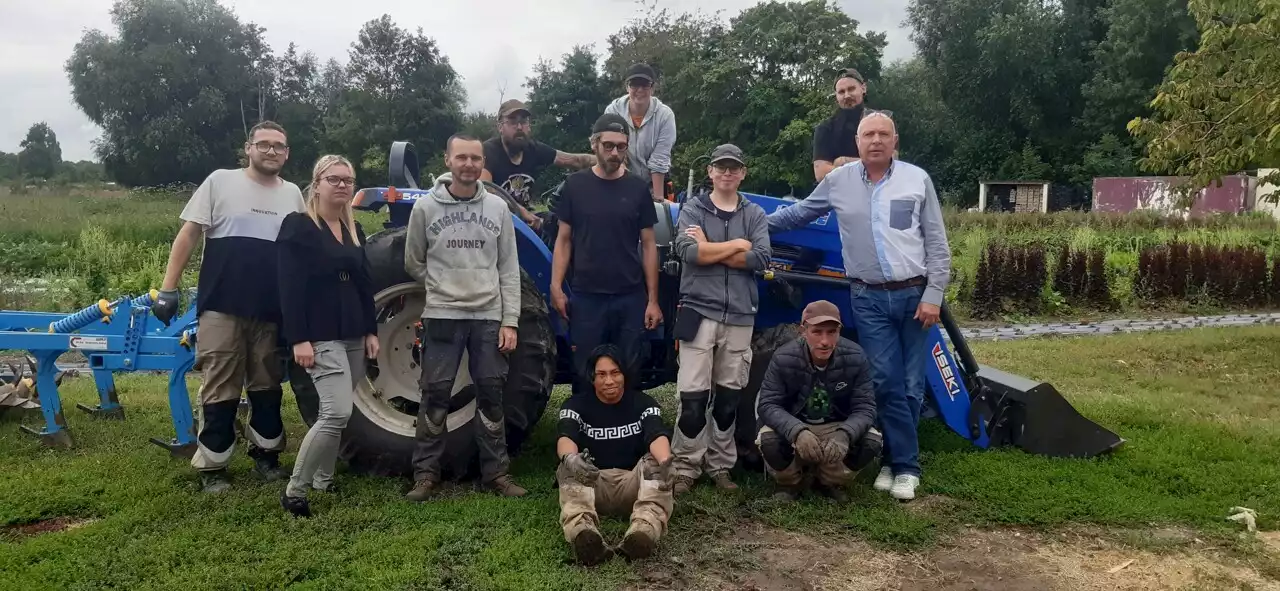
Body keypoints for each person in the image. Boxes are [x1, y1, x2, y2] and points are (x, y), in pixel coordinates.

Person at [767, 112, 952, 501]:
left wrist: (934, 293)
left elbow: (936, 241)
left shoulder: (916, 180)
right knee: (885, 381)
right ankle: (904, 465)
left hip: (915, 295)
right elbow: (798, 214)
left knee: (913, 385)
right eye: (869, 134)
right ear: (857, 142)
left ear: (895, 140)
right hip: (867, 296)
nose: (876, 141)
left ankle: (894, 461)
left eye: (884, 134)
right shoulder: (838, 182)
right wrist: (748, 223)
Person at [151, 120, 305, 493]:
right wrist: (168, 288)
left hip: (271, 310)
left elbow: (301, 253)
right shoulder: (220, 181)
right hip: (222, 305)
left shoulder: (293, 194)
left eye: (279, 146)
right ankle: (213, 467)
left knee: (267, 385)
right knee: (220, 385)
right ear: (249, 148)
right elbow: (188, 234)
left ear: (287, 154)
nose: (271, 151)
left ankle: (266, 458)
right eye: (264, 144)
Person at [402, 134, 527, 500]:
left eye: (475, 158)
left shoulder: (498, 210)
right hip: (442, 314)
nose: (469, 164)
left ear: (482, 162)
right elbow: (413, 261)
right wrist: (442, 285)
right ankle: (425, 475)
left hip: (488, 316)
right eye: (462, 157)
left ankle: (497, 474)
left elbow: (509, 268)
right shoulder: (425, 208)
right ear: (448, 160)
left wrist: (511, 320)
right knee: (435, 393)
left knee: (491, 393)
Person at [275, 155, 380, 518]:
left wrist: (371, 329)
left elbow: (366, 284)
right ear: (316, 184)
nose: (341, 186)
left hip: (352, 330)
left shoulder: (354, 229)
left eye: (347, 180)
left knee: (334, 411)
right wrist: (299, 338)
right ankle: (295, 491)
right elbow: (289, 289)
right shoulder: (298, 227)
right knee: (337, 411)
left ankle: (324, 477)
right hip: (319, 333)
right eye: (333, 179)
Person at [668, 144, 771, 494]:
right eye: (721, 167)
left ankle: (720, 465)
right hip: (698, 310)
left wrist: (712, 248)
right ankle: (685, 465)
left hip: (741, 314)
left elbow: (761, 258)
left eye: (734, 168)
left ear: (743, 173)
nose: (727, 173)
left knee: (729, 398)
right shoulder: (693, 208)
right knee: (693, 398)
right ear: (710, 171)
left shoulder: (755, 213)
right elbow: (689, 252)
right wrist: (737, 245)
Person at [550, 113, 663, 396]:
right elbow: (564, 240)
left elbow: (649, 245)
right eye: (609, 146)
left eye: (621, 147)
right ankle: (586, 432)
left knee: (629, 371)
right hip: (587, 296)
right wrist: (556, 287)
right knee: (586, 371)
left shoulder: (638, 188)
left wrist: (652, 300)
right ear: (594, 145)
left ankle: (625, 434)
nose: (615, 153)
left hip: (629, 296)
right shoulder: (575, 186)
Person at [555, 344, 674, 565]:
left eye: (615, 373)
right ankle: (583, 534)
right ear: (592, 378)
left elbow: (656, 433)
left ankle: (643, 532)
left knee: (657, 462)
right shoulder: (575, 404)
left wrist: (666, 461)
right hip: (592, 484)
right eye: (601, 375)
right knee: (567, 466)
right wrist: (570, 459)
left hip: (633, 486)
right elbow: (565, 438)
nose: (609, 381)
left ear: (625, 375)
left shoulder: (644, 403)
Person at [755, 301, 882, 501]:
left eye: (832, 332)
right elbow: (768, 404)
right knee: (768, 440)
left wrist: (845, 434)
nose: (825, 341)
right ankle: (789, 484)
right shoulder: (783, 357)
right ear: (802, 331)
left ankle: (829, 482)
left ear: (840, 331)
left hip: (836, 424)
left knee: (871, 441)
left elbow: (866, 407)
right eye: (817, 332)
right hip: (796, 421)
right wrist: (796, 431)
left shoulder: (856, 356)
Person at [481, 99, 596, 231]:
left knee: (565, 224)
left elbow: (575, 160)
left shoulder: (534, 149)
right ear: (500, 127)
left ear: (529, 126)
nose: (519, 127)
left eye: (523, 121)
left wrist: (607, 160)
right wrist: (520, 211)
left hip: (526, 219)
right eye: (512, 121)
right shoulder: (489, 151)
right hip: (494, 221)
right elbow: (486, 191)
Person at [604, 63, 677, 202]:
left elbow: (660, 158)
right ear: (627, 87)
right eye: (634, 84)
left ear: (653, 88)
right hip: (619, 180)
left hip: (653, 183)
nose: (640, 90)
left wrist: (658, 199)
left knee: (659, 216)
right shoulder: (612, 111)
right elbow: (614, 153)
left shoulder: (665, 115)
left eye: (645, 85)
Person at [812, 68, 870, 183]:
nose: (847, 95)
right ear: (836, 96)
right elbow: (821, 174)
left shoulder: (882, 122)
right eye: (841, 92)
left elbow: (890, 164)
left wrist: (843, 161)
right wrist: (869, 165)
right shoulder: (825, 128)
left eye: (851, 89)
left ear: (863, 88)